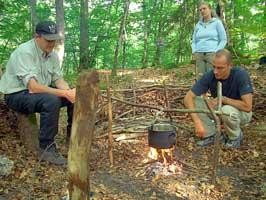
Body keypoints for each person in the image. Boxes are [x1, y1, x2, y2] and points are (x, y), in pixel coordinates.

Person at [0, 21, 75, 165]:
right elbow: (33, 87)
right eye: (48, 40)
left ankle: (73, 137)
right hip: (17, 95)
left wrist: (69, 92)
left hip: (37, 93)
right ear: (37, 36)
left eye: (54, 40)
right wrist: (64, 93)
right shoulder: (25, 52)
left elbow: (58, 79)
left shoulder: (52, 55)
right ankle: (46, 148)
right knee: (51, 100)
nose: (51, 44)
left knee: (75, 98)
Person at [184, 49, 253, 148]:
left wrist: (223, 99)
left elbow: (247, 107)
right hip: (218, 109)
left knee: (226, 110)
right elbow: (188, 98)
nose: (216, 71)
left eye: (220, 68)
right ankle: (212, 134)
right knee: (196, 101)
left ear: (230, 66)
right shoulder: (210, 75)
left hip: (241, 113)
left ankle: (235, 137)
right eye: (214, 67)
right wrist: (197, 122)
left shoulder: (240, 75)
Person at [192, 2, 227, 80]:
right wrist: (194, 51)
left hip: (212, 54)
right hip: (199, 54)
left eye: (204, 8)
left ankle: (214, 92)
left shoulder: (217, 22)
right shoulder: (198, 25)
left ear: (210, 10)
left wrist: (216, 52)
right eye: (200, 10)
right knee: (200, 78)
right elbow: (193, 40)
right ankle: (201, 92)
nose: (202, 11)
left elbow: (223, 39)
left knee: (213, 76)